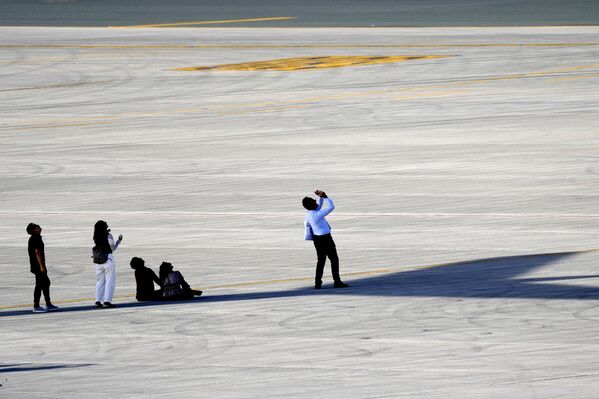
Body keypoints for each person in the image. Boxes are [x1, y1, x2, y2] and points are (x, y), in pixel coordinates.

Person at [302, 190, 348, 289]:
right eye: (313, 200)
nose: (315, 200)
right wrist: (326, 197)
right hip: (326, 239)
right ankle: (337, 281)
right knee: (334, 259)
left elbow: (318, 205)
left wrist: (321, 197)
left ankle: (317, 282)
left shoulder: (310, 213)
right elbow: (331, 207)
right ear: (311, 205)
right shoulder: (316, 215)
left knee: (321, 261)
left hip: (317, 240)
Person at [27, 223, 59, 313]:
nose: (39, 227)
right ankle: (36, 306)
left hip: (38, 265)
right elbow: (38, 253)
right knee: (40, 285)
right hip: (37, 266)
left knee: (46, 283)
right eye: (37, 227)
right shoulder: (35, 239)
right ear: (34, 230)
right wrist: (42, 266)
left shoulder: (36, 238)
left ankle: (48, 304)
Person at [92, 220, 122, 308]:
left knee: (100, 281)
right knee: (109, 281)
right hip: (108, 260)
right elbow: (112, 249)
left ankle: (98, 300)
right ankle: (107, 301)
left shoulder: (95, 237)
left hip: (98, 261)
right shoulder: (108, 236)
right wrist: (118, 241)